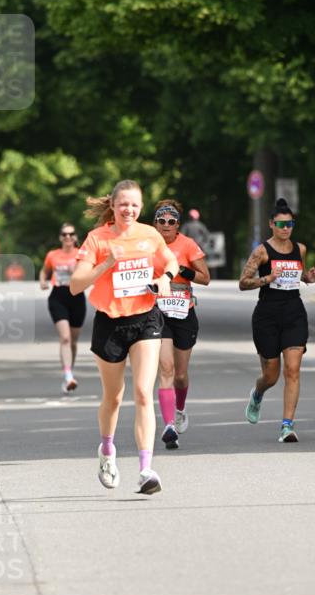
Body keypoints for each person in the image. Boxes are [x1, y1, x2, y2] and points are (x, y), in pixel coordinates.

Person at [69, 180, 179, 495]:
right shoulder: (97, 239)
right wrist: (107, 263)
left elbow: (170, 260)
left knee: (143, 392)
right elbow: (76, 285)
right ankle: (107, 451)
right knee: (114, 397)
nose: (128, 210)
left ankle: (146, 470)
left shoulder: (150, 234)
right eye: (123, 204)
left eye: (134, 205)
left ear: (140, 208)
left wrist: (165, 277)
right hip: (110, 322)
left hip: (145, 318)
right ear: (113, 206)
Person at [238, 198, 315, 442]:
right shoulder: (261, 251)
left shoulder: (300, 249)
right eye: (281, 224)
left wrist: (308, 278)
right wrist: (267, 278)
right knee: (271, 376)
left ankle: (287, 426)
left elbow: (298, 275)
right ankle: (257, 393)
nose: (286, 229)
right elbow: (243, 283)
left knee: (292, 370)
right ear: (271, 225)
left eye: (290, 224)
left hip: (294, 311)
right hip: (267, 314)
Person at [152, 199, 211, 449]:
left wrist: (186, 272)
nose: (166, 225)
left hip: (184, 312)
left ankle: (180, 408)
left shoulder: (187, 244)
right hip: (158, 313)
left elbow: (205, 278)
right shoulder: (148, 245)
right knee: (165, 368)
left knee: (180, 375)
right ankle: (168, 426)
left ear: (178, 225)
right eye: (162, 221)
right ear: (155, 224)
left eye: (171, 221)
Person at [40, 225, 86, 394]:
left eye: (71, 234)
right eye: (64, 234)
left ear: (75, 237)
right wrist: (43, 281)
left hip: (77, 297)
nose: (68, 237)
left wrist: (78, 272)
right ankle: (68, 376)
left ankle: (69, 371)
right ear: (60, 237)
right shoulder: (53, 255)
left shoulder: (82, 254)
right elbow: (44, 271)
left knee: (73, 341)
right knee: (65, 338)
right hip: (58, 297)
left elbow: (88, 273)